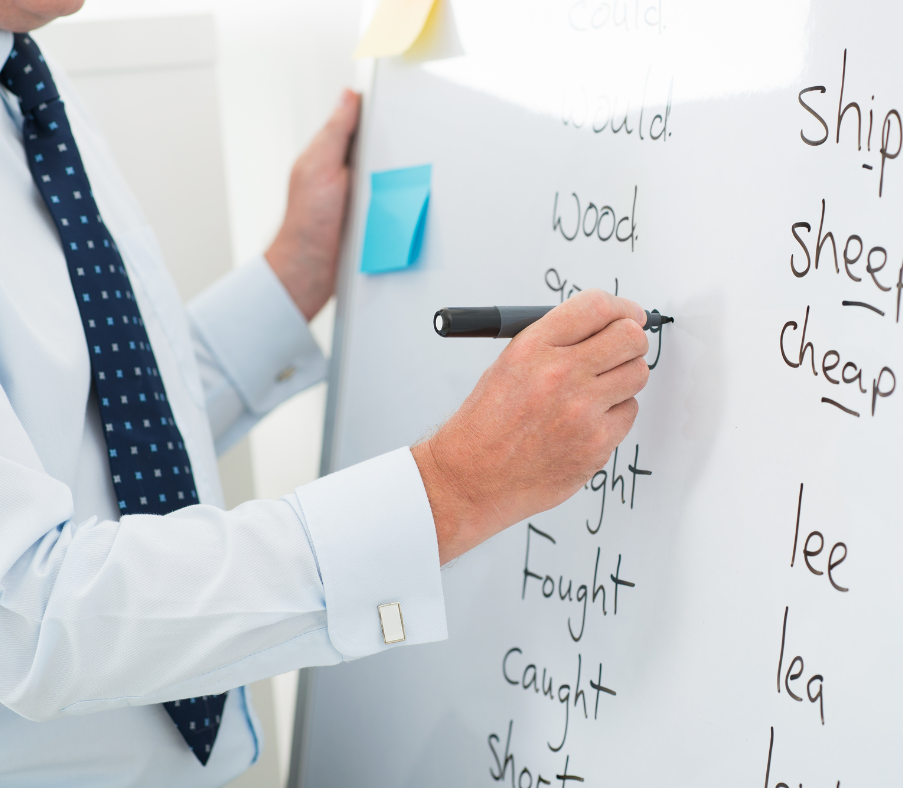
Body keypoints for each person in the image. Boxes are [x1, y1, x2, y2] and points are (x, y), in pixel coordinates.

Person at [0, 1, 651, 785]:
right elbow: (26, 616)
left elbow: (97, 433)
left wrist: (293, 278)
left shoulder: (23, 77)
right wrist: (451, 489)